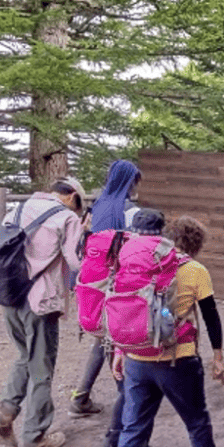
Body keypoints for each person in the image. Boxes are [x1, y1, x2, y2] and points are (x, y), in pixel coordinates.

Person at [111, 215, 224, 447]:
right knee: (196, 419)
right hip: (178, 359)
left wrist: (121, 351)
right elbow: (211, 317)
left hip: (138, 358)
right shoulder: (194, 269)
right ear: (195, 243)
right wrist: (218, 357)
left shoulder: (137, 266)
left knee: (133, 426)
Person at [0, 176, 88, 447]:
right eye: (78, 204)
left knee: (25, 356)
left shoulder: (17, 209)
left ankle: (6, 412)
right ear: (71, 197)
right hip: (40, 300)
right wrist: (83, 233)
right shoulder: (66, 218)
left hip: (10, 296)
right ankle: (34, 436)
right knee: (42, 368)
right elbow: (75, 260)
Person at [95, 208, 167, 447]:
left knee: (127, 392)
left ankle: (114, 443)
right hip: (135, 333)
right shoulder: (154, 255)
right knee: (136, 397)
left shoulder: (120, 247)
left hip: (113, 326)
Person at [69, 159, 142, 416]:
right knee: (116, 341)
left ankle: (81, 397)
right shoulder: (128, 210)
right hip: (114, 283)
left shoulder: (97, 206)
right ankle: (128, 404)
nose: (136, 187)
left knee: (104, 339)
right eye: (135, 182)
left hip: (91, 282)